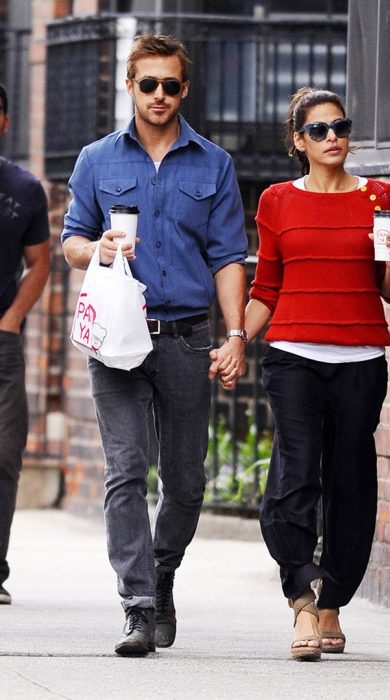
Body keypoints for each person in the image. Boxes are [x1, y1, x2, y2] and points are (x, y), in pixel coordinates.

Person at [61, 34, 248, 656]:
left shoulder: (214, 164)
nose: (160, 95)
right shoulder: (96, 160)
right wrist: (99, 250)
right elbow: (71, 243)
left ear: (184, 89)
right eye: (149, 84)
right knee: (124, 469)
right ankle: (139, 604)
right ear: (130, 86)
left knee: (187, 481)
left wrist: (237, 334)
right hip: (118, 340)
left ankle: (162, 570)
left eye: (171, 85)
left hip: (189, 337)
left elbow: (226, 258)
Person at [240, 87, 390, 660]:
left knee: (351, 483)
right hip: (292, 358)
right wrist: (237, 338)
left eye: (340, 126)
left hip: (361, 359)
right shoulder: (277, 201)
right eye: (319, 130)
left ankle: (333, 600)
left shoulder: (379, 196)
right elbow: (267, 289)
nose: (332, 136)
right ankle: (303, 603)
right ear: (299, 142)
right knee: (294, 477)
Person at [0, 83, 50, 605]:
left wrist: (13, 318)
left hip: (2, 341)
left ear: (5, 121)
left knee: (5, 453)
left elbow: (40, 263)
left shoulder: (23, 187)